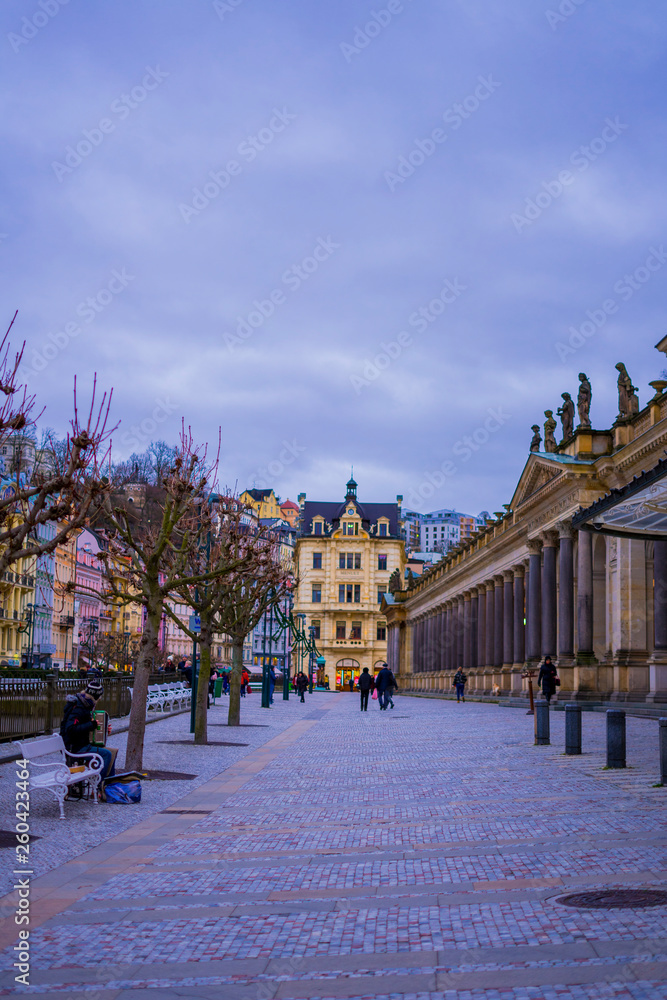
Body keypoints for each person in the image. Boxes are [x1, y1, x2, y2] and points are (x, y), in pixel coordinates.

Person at [60, 680, 115, 779]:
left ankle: (109, 787)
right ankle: (100, 786)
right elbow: (71, 729)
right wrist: (91, 725)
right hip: (74, 748)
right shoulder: (79, 708)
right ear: (96, 697)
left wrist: (104, 732)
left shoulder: (84, 704)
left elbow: (83, 728)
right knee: (106, 754)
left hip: (80, 744)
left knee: (112, 752)